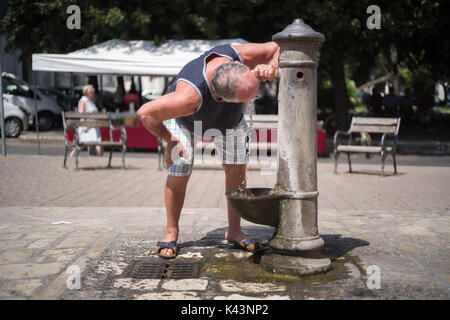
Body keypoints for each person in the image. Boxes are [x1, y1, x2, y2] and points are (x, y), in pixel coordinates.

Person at [137, 42, 279, 259]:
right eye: (248, 98)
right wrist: (171, 141)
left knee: (236, 170)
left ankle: (234, 231)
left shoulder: (237, 54)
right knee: (181, 166)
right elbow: (145, 114)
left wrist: (271, 67)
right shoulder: (188, 96)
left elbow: (277, 47)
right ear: (222, 99)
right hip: (184, 120)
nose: (254, 98)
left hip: (229, 121)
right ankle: (171, 231)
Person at [70, 85, 103, 157]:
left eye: (94, 92)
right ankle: (72, 154)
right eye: (92, 92)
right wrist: (84, 126)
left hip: (94, 127)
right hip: (87, 127)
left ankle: (100, 159)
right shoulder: (83, 101)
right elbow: (81, 115)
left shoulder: (91, 102)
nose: (94, 94)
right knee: (84, 145)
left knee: (97, 143)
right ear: (87, 93)